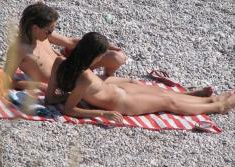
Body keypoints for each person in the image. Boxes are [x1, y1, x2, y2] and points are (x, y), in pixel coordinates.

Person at [45, 32, 235, 123]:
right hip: (121, 103)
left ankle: (194, 96)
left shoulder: (60, 62)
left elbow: (49, 98)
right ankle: (217, 105)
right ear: (92, 55)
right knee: (168, 102)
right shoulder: (84, 78)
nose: (102, 58)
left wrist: (68, 95)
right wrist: (102, 113)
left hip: (115, 90)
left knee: (157, 90)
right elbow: (70, 110)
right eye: (101, 55)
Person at [4, 2, 126, 93]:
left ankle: (106, 77)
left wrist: (106, 45)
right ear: (35, 28)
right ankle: (105, 80)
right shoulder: (19, 49)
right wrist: (38, 85)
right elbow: (7, 80)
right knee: (120, 88)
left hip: (69, 64)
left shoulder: (44, 35)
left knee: (117, 57)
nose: (51, 33)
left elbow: (70, 42)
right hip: (65, 81)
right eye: (49, 31)